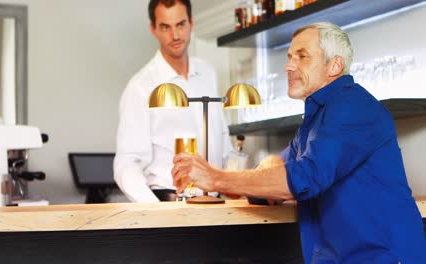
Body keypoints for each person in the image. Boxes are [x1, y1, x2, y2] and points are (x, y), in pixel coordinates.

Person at [172, 22, 426, 263]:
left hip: (384, 258)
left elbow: (303, 178)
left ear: (334, 65)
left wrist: (215, 178)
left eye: (302, 56)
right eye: (289, 57)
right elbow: (280, 174)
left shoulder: (352, 107)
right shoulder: (317, 117)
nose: (289, 66)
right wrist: (272, 168)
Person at [114, 0, 231, 202]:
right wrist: (154, 211)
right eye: (165, 27)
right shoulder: (141, 87)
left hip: (216, 203)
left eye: (180, 25)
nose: (175, 35)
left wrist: (239, 186)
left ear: (191, 23)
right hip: (168, 204)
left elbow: (222, 140)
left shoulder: (207, 73)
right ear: (153, 29)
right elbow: (126, 164)